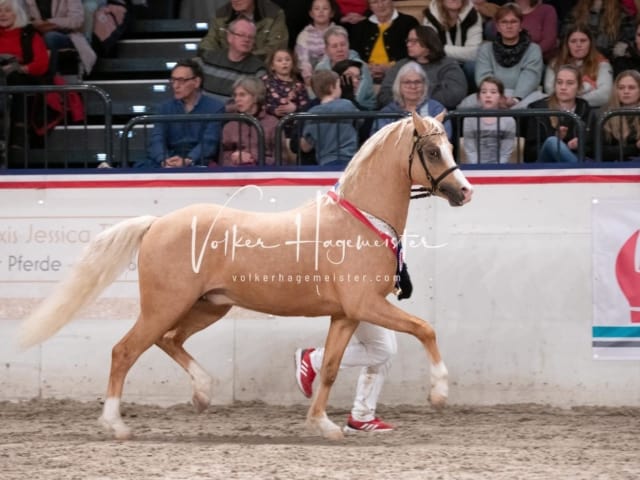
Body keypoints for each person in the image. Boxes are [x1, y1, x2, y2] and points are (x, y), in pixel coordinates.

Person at [457, 3, 544, 109]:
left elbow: (530, 76)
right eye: (504, 22)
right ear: (497, 27)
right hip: (492, 95)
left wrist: (516, 98)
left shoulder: (533, 49)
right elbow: (484, 77)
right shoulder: (486, 49)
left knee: (539, 103)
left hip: (522, 96)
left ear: (520, 26)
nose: (509, 26)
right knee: (464, 106)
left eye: (513, 21)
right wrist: (498, 98)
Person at [145, 59, 225, 169]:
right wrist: (163, 159)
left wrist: (188, 160)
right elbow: (157, 139)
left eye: (181, 80)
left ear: (196, 82)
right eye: (173, 80)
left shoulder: (215, 108)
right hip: (168, 161)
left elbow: (209, 142)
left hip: (199, 162)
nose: (175, 86)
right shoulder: (164, 108)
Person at [0, 0, 50, 167]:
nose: (2, 14)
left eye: (7, 10)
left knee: (13, 78)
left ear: (17, 13)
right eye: (0, 11)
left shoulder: (30, 34)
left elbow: (41, 64)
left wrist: (19, 67)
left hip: (21, 78)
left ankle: (18, 137)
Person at [378, 25, 467, 110]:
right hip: (401, 113)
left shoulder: (448, 65)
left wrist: (418, 101)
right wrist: (407, 104)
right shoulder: (400, 65)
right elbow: (384, 94)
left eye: (414, 41)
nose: (408, 45)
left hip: (435, 114)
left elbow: (455, 94)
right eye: (408, 41)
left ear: (428, 42)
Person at [525, 64, 593, 163]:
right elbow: (530, 153)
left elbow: (593, 147)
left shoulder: (585, 109)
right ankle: (581, 172)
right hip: (545, 164)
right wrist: (556, 140)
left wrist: (577, 146)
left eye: (569, 83)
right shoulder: (537, 108)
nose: (563, 87)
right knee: (552, 142)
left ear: (579, 87)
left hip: (576, 157)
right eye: (559, 82)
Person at [197, 16, 267, 106]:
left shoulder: (258, 69)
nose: (246, 40)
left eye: (251, 37)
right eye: (241, 35)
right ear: (229, 37)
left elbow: (257, 103)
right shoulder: (208, 58)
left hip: (235, 117)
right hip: (204, 114)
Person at [372, 60, 452, 139]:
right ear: (398, 86)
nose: (413, 87)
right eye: (407, 82)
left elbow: (443, 139)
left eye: (417, 82)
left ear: (425, 85)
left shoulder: (436, 109)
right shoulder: (388, 112)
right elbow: (379, 142)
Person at [299, 69, 360, 166]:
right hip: (350, 159)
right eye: (339, 86)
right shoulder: (347, 105)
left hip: (326, 163)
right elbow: (361, 121)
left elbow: (306, 147)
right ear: (332, 87)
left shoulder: (311, 113)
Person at [544, 24, 613, 108]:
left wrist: (574, 102)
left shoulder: (602, 64)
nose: (578, 45)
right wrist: (589, 88)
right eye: (573, 41)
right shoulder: (555, 63)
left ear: (590, 43)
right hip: (559, 110)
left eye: (583, 41)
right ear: (567, 44)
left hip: (590, 110)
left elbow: (605, 95)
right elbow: (551, 91)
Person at [349, 0, 418, 84]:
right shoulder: (361, 26)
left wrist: (391, 67)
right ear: (370, 6)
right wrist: (366, 67)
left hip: (400, 75)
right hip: (365, 76)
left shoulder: (409, 22)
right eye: (375, 2)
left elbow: (415, 50)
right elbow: (353, 52)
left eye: (384, 0)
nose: (380, 5)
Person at [422, 0, 483, 92]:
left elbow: (473, 53)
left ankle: (472, 98)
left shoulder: (473, 15)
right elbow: (430, 49)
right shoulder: (431, 17)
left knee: (472, 66)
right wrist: (462, 53)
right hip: (441, 65)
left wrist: (441, 48)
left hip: (465, 66)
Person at [24, 0, 96, 76]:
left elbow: (77, 20)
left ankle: (52, 78)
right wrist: (34, 24)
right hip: (35, 33)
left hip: (67, 35)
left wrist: (49, 22)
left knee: (50, 37)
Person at [219, 75, 280, 166]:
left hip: (265, 174)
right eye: (235, 95)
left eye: (242, 95)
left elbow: (282, 160)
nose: (237, 99)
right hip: (237, 175)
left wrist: (252, 158)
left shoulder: (273, 123)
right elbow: (223, 159)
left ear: (255, 97)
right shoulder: (230, 126)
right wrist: (235, 159)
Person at [197, 0, 288, 61]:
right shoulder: (222, 13)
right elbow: (209, 41)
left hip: (260, 68)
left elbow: (275, 48)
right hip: (227, 66)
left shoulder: (273, 13)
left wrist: (242, 61)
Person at [314, 24, 376, 110]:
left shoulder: (360, 66)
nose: (339, 49)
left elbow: (359, 97)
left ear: (348, 45)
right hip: (328, 109)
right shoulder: (321, 67)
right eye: (334, 46)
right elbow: (318, 95)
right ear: (326, 50)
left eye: (343, 45)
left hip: (362, 110)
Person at [462, 76, 516, 164]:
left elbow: (506, 152)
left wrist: (496, 170)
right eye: (483, 92)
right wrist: (478, 169)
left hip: (500, 169)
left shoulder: (509, 121)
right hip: (475, 167)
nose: (488, 95)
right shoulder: (469, 119)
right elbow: (470, 150)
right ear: (478, 97)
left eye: (493, 92)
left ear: (501, 97)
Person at [485, 0, 558, 63]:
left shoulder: (547, 10)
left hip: (538, 59)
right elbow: (499, 37)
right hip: (506, 58)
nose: (509, 25)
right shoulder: (504, 11)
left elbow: (549, 41)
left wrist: (526, 54)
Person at [561, 0, 635, 61]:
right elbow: (565, 37)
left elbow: (627, 41)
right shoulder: (576, 13)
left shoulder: (622, 15)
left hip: (609, 63)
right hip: (579, 62)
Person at [261, 47, 310, 138]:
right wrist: (273, 110)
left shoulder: (299, 85)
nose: (284, 62)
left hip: (293, 130)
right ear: (272, 66)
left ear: (293, 63)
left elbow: (307, 107)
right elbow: (258, 103)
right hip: (270, 129)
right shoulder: (265, 82)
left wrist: (295, 109)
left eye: (287, 59)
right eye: (279, 60)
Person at [295, 0, 338, 86]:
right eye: (316, 8)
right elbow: (303, 60)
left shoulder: (338, 32)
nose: (321, 11)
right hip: (313, 79)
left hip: (336, 76)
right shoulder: (304, 35)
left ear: (332, 13)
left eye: (325, 8)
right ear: (311, 13)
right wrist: (308, 77)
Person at [601, 69, 640, 162]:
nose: (626, 91)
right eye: (621, 87)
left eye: (631, 87)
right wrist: (636, 147)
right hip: (616, 167)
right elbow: (602, 151)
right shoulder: (605, 115)